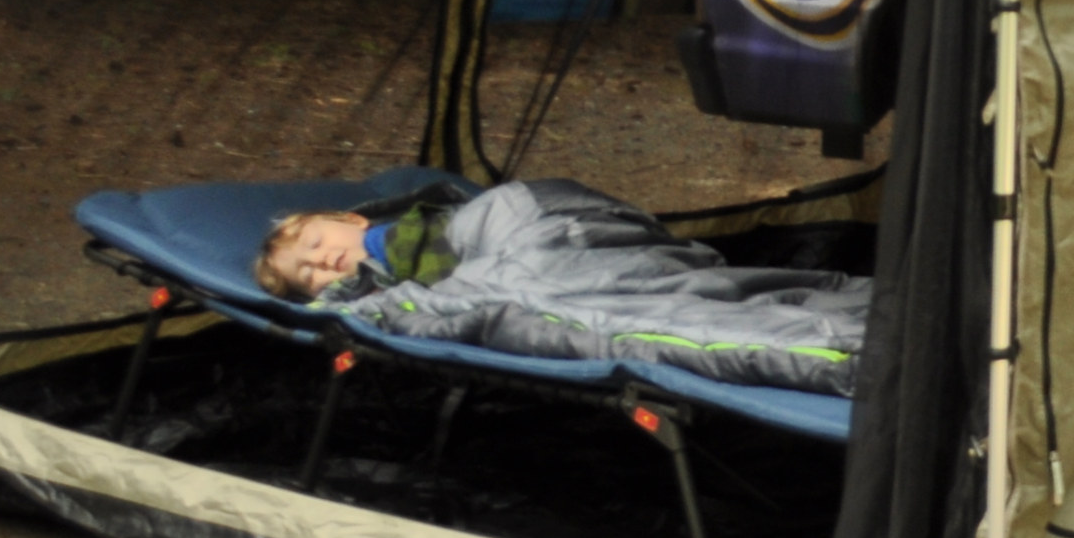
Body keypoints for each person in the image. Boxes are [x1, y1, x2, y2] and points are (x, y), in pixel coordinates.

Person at [250, 179, 870, 394]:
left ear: (353, 218)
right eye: (309, 274)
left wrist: (367, 299)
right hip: (528, 253)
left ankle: (848, 347)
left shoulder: (407, 234)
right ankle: (855, 330)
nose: (322, 261)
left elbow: (487, 265)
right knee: (667, 307)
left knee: (623, 309)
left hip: (540, 228)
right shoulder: (383, 281)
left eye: (316, 242)